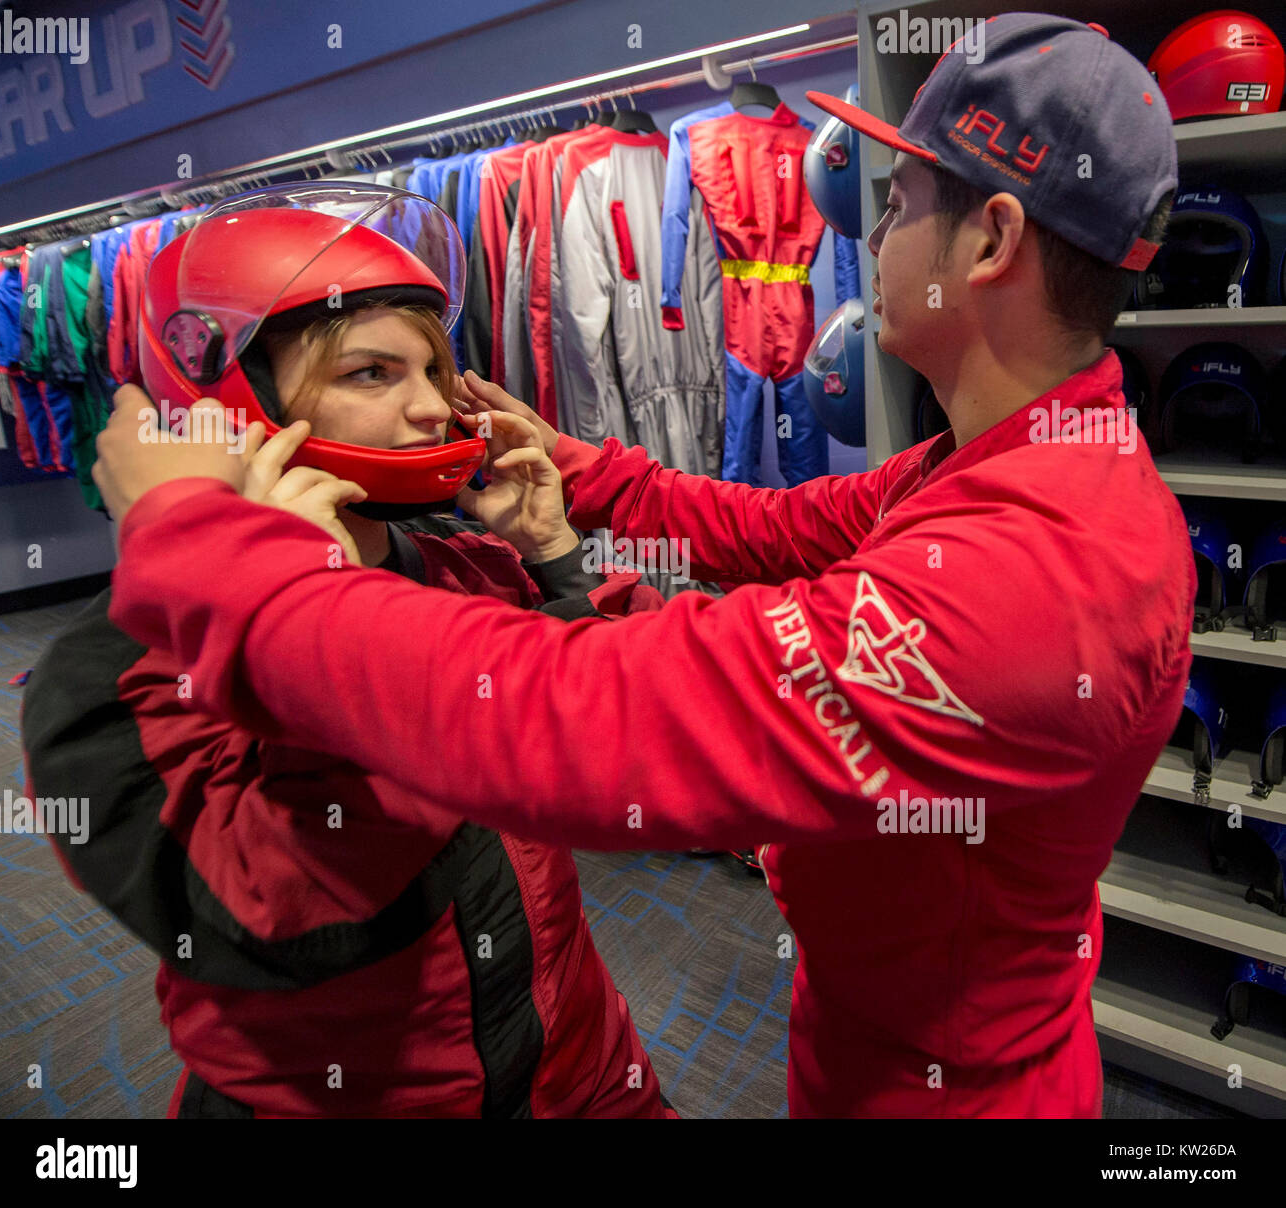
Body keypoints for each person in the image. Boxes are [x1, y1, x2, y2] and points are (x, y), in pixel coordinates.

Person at [89, 15, 1197, 1117]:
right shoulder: (991, 462)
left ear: (990, 242)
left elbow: (588, 715)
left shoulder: (1041, 572)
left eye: (900, 202)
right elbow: (766, 526)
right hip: (893, 1016)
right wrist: (575, 467)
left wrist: (204, 541)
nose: (873, 225)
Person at [22, 185, 678, 1119]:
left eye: (432, 373)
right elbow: (286, 923)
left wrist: (555, 559)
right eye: (373, 374)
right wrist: (293, 610)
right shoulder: (120, 667)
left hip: (572, 1064)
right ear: (236, 396)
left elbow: (630, 750)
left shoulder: (474, 566)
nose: (430, 412)